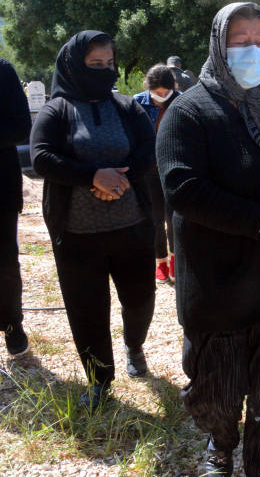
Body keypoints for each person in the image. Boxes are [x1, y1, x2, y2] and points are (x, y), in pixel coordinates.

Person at [158, 3, 260, 477]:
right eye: (240, 40)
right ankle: (219, 441)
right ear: (217, 44)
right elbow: (184, 189)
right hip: (220, 283)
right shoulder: (190, 113)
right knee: (217, 394)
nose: (253, 50)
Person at [30, 31, 157, 409]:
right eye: (94, 64)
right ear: (73, 65)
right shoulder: (57, 109)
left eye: (108, 64)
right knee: (88, 312)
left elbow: (148, 148)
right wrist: (92, 176)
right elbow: (41, 157)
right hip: (77, 235)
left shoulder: (125, 106)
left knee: (140, 301)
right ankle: (100, 379)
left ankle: (134, 345)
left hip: (131, 227)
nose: (104, 71)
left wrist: (118, 179)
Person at [134, 65, 180, 283]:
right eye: (157, 93)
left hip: (173, 168)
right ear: (148, 88)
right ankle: (160, 261)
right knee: (155, 218)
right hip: (149, 170)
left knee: (173, 217)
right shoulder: (136, 103)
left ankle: (175, 260)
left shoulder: (181, 101)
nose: (162, 97)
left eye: (166, 92)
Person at [1, 58, 32, 356]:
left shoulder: (2, 70)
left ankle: (12, 323)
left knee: (4, 261)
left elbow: (21, 126)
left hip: (0, 187)